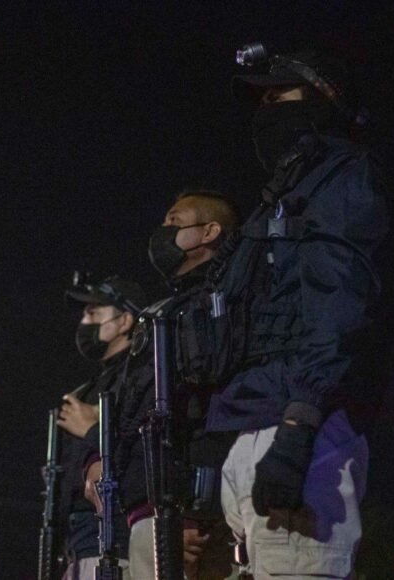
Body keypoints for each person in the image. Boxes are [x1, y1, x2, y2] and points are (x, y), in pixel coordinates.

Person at [203, 47, 389, 578]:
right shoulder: (288, 192)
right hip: (257, 425)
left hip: (301, 425)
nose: (266, 110)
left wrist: (298, 425)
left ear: (322, 98)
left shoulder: (343, 177)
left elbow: (341, 305)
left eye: (277, 95)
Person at [84, 189, 241, 580]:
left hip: (182, 512)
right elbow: (136, 407)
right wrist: (97, 459)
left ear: (209, 232)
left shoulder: (221, 305)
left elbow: (211, 407)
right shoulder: (168, 312)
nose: (163, 230)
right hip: (148, 509)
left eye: (175, 221)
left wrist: (196, 508)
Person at [55, 275, 148, 579]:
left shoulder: (141, 378)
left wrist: (92, 429)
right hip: (77, 545)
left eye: (93, 312)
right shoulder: (91, 387)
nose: (85, 321)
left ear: (124, 321)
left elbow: (142, 452)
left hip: (115, 539)